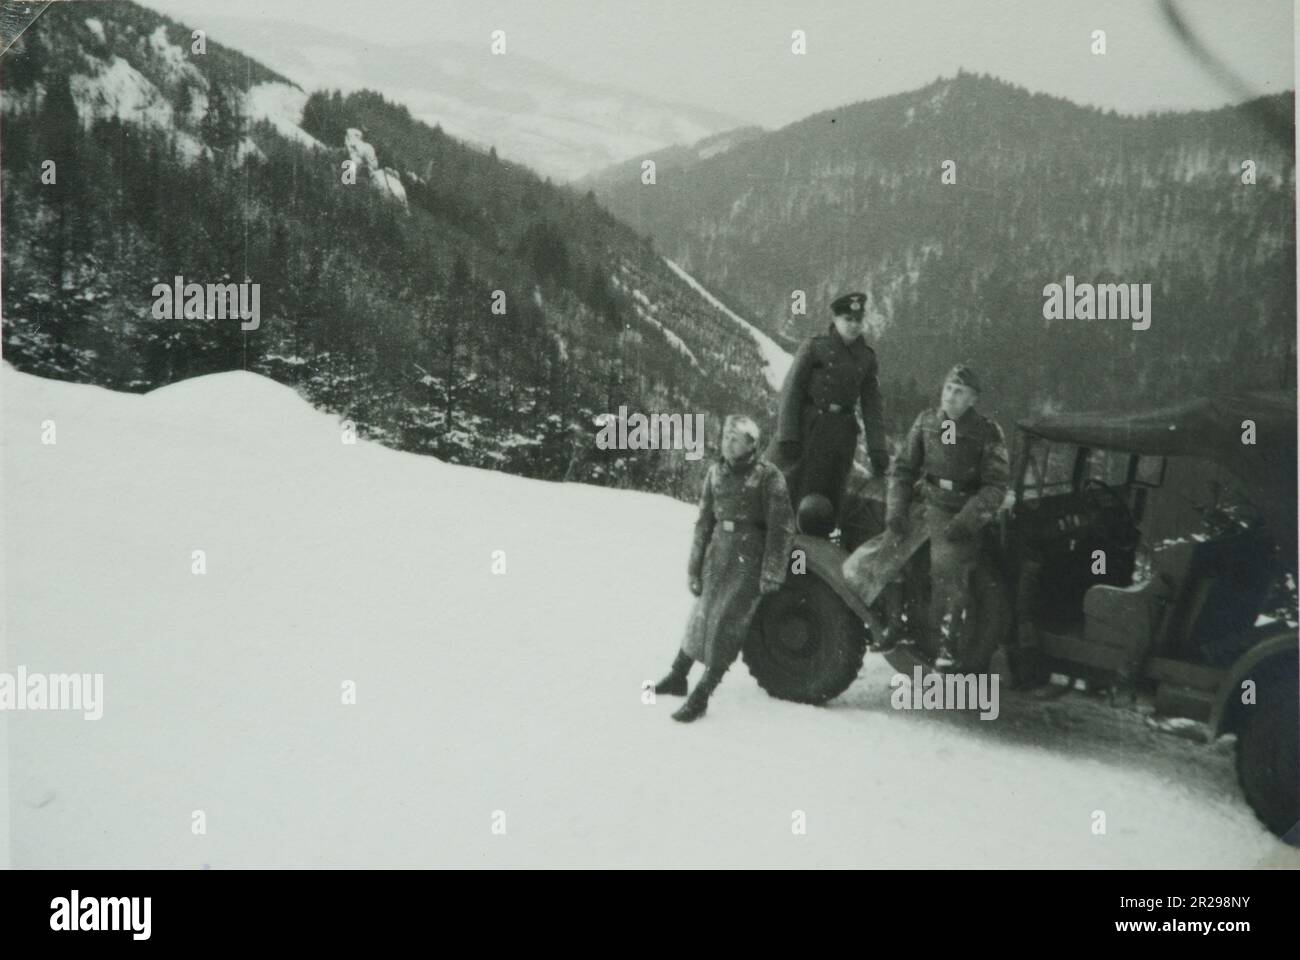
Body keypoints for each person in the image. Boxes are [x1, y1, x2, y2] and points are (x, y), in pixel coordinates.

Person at [653, 415, 796, 722]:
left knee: (727, 624)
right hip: (718, 552)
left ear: (751, 444)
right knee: (702, 614)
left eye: (734, 438)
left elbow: (782, 528)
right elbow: (704, 521)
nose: (727, 442)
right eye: (725, 436)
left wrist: (772, 571)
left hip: (749, 557)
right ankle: (678, 676)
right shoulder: (716, 472)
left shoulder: (769, 477)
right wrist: (694, 568)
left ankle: (702, 694)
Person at [886, 364, 1009, 670]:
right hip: (925, 501)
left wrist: (966, 521)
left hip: (960, 509)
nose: (950, 396)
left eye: (959, 392)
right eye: (948, 389)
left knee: (948, 568)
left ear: (973, 399)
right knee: (884, 550)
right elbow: (903, 469)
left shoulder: (987, 432)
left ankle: (945, 645)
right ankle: (890, 623)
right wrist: (896, 512)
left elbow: (995, 486)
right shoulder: (926, 421)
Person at [767, 292, 889, 526]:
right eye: (847, 319)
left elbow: (872, 407)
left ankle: (813, 552)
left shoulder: (866, 358)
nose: (853, 325)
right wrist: (788, 435)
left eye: (858, 320)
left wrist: (878, 451)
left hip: (840, 438)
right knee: (790, 492)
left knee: (826, 500)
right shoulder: (815, 347)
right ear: (835, 319)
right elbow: (791, 392)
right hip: (808, 431)